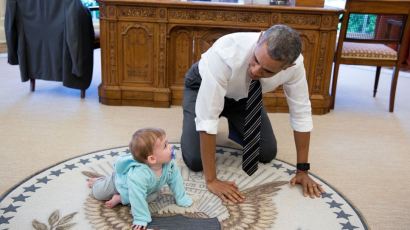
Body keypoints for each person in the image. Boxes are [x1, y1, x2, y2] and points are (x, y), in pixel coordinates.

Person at [181, 24, 325, 204]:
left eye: (267, 71)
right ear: (260, 39)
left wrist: (302, 170)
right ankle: (191, 115)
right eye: (256, 60)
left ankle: (235, 123)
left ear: (288, 67)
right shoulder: (226, 52)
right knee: (195, 161)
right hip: (200, 86)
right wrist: (212, 180)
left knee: (266, 152)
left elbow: (301, 112)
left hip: (245, 97)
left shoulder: (296, 67)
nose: (255, 71)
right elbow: (207, 119)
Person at [87, 128, 193, 230]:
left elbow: (176, 181)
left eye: (168, 143)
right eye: (165, 146)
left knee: (154, 196)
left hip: (145, 190)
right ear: (152, 159)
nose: (171, 147)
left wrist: (181, 198)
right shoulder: (139, 174)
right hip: (119, 183)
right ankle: (99, 181)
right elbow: (136, 196)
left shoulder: (170, 165)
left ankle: (120, 198)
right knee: (98, 193)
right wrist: (141, 218)